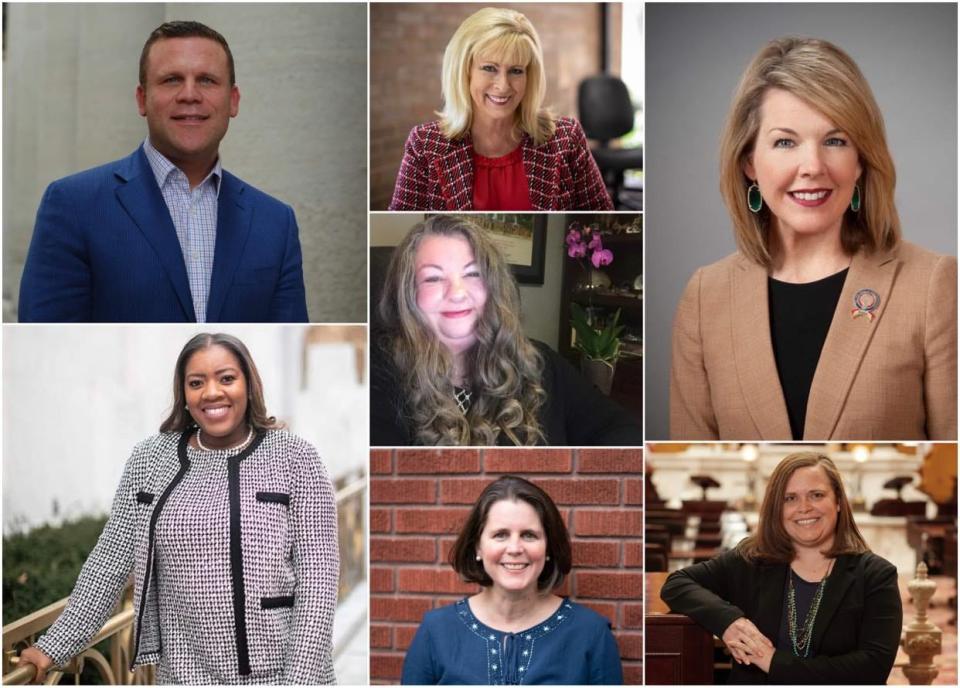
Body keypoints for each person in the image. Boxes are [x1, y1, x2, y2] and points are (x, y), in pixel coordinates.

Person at [670, 37, 956, 441]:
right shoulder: (704, 297)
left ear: (861, 160)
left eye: (835, 141)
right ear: (750, 161)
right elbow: (683, 474)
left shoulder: (932, 285)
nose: (813, 166)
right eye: (785, 142)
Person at [18, 333, 338, 684]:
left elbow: (318, 580)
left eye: (227, 378)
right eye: (196, 382)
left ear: (249, 385)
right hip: (183, 675)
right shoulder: (149, 460)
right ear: (184, 394)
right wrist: (53, 646)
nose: (212, 392)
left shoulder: (295, 458)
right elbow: (109, 561)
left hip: (278, 673)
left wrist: (301, 680)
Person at [18, 21, 309, 322]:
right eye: (171, 80)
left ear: (233, 101)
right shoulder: (73, 205)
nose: (189, 94)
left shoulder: (275, 222)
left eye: (207, 80)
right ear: (142, 99)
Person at [371, 215, 642, 446]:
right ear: (407, 295)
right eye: (433, 278)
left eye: (473, 273)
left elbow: (621, 428)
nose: (457, 293)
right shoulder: (379, 375)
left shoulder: (541, 362)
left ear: (493, 287)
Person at [660, 452, 902, 684]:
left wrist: (772, 662)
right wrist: (729, 623)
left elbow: (872, 670)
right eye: (790, 498)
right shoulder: (751, 559)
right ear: (778, 509)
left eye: (817, 495)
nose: (804, 507)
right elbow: (676, 584)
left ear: (838, 501)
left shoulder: (876, 575)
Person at [402, 476, 623, 684]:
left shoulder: (591, 633)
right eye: (500, 534)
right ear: (478, 547)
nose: (515, 549)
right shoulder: (436, 631)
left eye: (529, 535)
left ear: (548, 548)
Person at [388, 7, 613, 211]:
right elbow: (403, 235)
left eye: (516, 71)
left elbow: (603, 223)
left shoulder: (566, 139)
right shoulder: (425, 145)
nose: (503, 86)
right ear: (464, 71)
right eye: (489, 68)